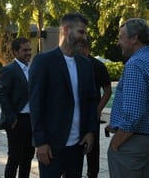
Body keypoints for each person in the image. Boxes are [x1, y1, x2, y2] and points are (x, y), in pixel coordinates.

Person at [29, 13, 98, 178]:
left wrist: (90, 131)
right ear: (66, 30)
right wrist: (41, 142)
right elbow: (36, 104)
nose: (84, 37)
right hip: (52, 146)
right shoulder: (43, 61)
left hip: (78, 145)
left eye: (85, 33)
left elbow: (91, 100)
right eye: (81, 32)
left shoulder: (86, 64)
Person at [106, 18, 149, 178]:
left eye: (121, 37)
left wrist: (116, 143)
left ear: (134, 38)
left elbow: (133, 116)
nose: (118, 42)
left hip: (133, 144)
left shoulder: (136, 64)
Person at [0, 37, 35, 178]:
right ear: (15, 52)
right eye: (25, 50)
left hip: (32, 120)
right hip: (17, 121)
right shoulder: (9, 70)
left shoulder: (32, 68)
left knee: (28, 157)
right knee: (14, 158)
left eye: (30, 50)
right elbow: (2, 95)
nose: (28, 53)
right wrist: (12, 118)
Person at [77, 36, 112, 178]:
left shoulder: (97, 65)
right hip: (75, 116)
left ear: (87, 48)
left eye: (81, 47)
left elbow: (108, 91)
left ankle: (92, 174)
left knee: (92, 151)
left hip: (91, 115)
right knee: (74, 150)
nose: (78, 49)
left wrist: (97, 110)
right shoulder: (72, 64)